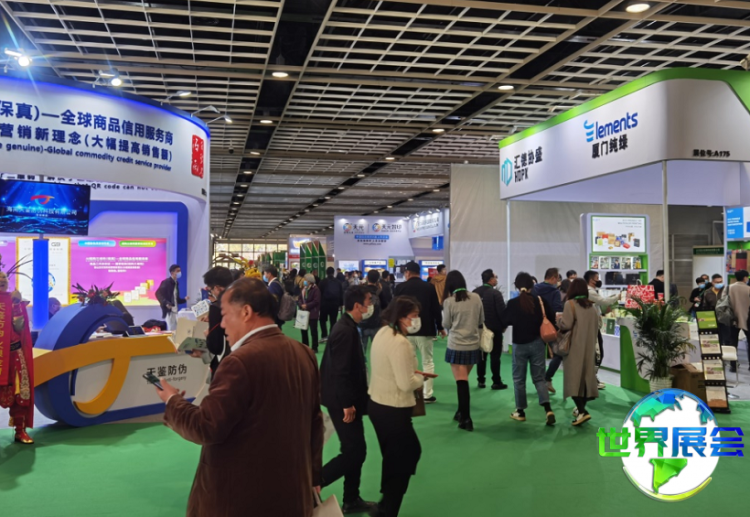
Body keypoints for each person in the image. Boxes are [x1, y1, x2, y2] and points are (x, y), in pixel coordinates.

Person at [156, 277, 324, 516]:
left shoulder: (240, 362)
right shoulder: (303, 353)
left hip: (242, 497)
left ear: (246, 312)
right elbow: (315, 422)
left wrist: (173, 402)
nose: (222, 324)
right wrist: (313, 474)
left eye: (225, 315)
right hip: (292, 491)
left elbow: (206, 426)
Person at [320, 286, 376, 514]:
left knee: (356, 449)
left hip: (347, 398)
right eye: (368, 301)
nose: (371, 305)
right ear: (357, 306)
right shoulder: (345, 330)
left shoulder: (348, 326)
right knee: (354, 451)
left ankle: (351, 499)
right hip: (341, 401)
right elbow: (340, 371)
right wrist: (346, 404)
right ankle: (314, 482)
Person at [369, 296, 426, 517]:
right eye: (414, 316)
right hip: (393, 408)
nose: (416, 320)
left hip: (378, 405)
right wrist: (420, 378)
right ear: (401, 317)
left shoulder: (383, 332)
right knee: (406, 457)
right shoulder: (401, 343)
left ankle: (384, 505)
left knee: (394, 457)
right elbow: (406, 383)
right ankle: (388, 509)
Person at [500, 272, 555, 426]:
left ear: (517, 286)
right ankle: (548, 409)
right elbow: (551, 318)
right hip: (538, 344)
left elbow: (505, 320)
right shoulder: (541, 301)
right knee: (539, 378)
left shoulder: (513, 303)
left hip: (519, 345)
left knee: (519, 379)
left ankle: (520, 411)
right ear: (532, 285)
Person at [394, 261, 445, 403]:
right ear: (418, 272)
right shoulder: (429, 287)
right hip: (425, 329)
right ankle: (427, 394)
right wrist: (440, 327)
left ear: (407, 273)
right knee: (427, 361)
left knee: (406, 361)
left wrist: (396, 327)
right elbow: (436, 309)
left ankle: (407, 391)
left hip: (405, 330)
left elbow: (395, 309)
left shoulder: (400, 288)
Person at [443, 270, 484, 432]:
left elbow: (446, 324)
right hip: (473, 344)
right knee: (464, 379)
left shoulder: (449, 301)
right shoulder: (476, 297)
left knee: (461, 382)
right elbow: (481, 319)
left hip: (456, 345)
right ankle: (460, 412)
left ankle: (466, 418)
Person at [558, 278, 600, 425]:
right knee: (585, 379)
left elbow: (566, 324)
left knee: (573, 380)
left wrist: (559, 320)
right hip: (589, 348)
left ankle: (582, 412)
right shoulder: (592, 308)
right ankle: (580, 408)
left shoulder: (570, 304)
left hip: (574, 348)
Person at [0, 271, 35, 444]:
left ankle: (20, 431)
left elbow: (19, 327)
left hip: (14, 354)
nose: (2, 281)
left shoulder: (14, 301)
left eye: (4, 279)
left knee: (20, 394)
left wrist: (15, 304)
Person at [582, 270, 619, 390]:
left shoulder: (591, 291)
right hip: (592, 327)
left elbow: (600, 304)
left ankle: (592, 378)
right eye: (597, 278)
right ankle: (591, 379)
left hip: (593, 326)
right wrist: (618, 297)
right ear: (591, 280)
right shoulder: (590, 291)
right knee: (598, 353)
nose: (599, 280)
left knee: (596, 353)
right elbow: (603, 301)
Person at [472, 269, 508, 390]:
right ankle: (496, 381)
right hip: (495, 329)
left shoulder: (474, 293)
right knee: (495, 356)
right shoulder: (495, 294)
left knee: (481, 355)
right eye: (495, 277)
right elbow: (502, 312)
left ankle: (481, 380)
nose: (496, 279)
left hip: (479, 329)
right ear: (491, 280)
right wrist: (504, 326)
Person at [533, 268, 564, 393]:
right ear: (553, 278)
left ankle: (539, 383)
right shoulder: (555, 292)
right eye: (557, 278)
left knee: (537, 357)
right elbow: (557, 309)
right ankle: (547, 378)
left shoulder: (534, 289)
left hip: (535, 326)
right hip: (550, 327)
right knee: (558, 354)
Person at [199, 266, 233, 374]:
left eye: (211, 290)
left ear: (217, 288)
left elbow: (216, 347)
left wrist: (209, 335)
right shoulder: (240, 302)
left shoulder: (217, 308)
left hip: (224, 365)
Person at [729, 270, 750, 372]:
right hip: (747, 319)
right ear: (745, 278)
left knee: (733, 343)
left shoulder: (729, 288)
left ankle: (733, 366)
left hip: (732, 319)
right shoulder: (748, 289)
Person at [156, 264, 189, 330]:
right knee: (171, 330)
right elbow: (158, 293)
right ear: (172, 273)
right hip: (169, 311)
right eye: (177, 271)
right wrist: (166, 303)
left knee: (177, 330)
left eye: (180, 270)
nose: (179, 272)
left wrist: (184, 299)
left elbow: (176, 299)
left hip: (175, 311)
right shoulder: (166, 282)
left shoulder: (176, 283)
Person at [702, 274, 731, 349]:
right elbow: (705, 306)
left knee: (727, 338)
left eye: (721, 281)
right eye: (717, 282)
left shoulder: (727, 291)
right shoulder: (707, 292)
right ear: (712, 282)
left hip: (725, 318)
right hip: (712, 318)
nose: (719, 283)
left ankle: (727, 353)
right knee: (716, 338)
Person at [360, 270, 384, 354]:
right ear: (377, 279)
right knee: (377, 350)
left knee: (361, 350)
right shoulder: (380, 291)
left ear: (367, 278)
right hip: (376, 323)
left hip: (363, 323)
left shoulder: (361, 290)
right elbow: (385, 305)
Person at [319, 267, 344, 343]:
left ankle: (324, 336)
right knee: (333, 321)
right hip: (335, 304)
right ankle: (332, 336)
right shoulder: (338, 282)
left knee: (322, 320)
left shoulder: (322, 282)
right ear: (334, 272)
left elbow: (319, 294)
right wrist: (341, 304)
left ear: (326, 273)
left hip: (324, 304)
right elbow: (341, 294)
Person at [299, 273, 321, 353]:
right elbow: (300, 299)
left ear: (309, 281)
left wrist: (307, 305)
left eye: (305, 280)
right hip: (303, 313)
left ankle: (315, 347)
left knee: (313, 331)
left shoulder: (316, 289)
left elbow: (316, 301)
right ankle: (305, 346)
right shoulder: (304, 289)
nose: (304, 281)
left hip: (312, 313)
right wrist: (301, 305)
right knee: (303, 330)